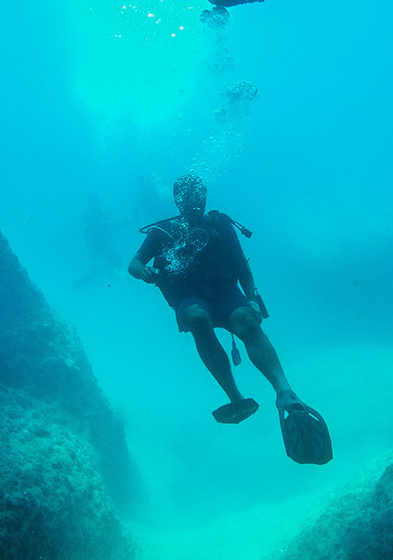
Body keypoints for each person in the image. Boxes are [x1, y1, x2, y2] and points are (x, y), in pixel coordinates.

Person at [128, 173, 332, 464]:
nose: (194, 201)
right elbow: (134, 264)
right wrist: (143, 272)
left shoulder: (220, 225)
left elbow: (242, 267)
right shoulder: (163, 231)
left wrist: (251, 300)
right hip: (191, 297)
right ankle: (235, 397)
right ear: (177, 199)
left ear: (205, 195)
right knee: (197, 317)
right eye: (187, 196)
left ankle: (285, 392)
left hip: (226, 293)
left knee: (247, 321)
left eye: (198, 195)